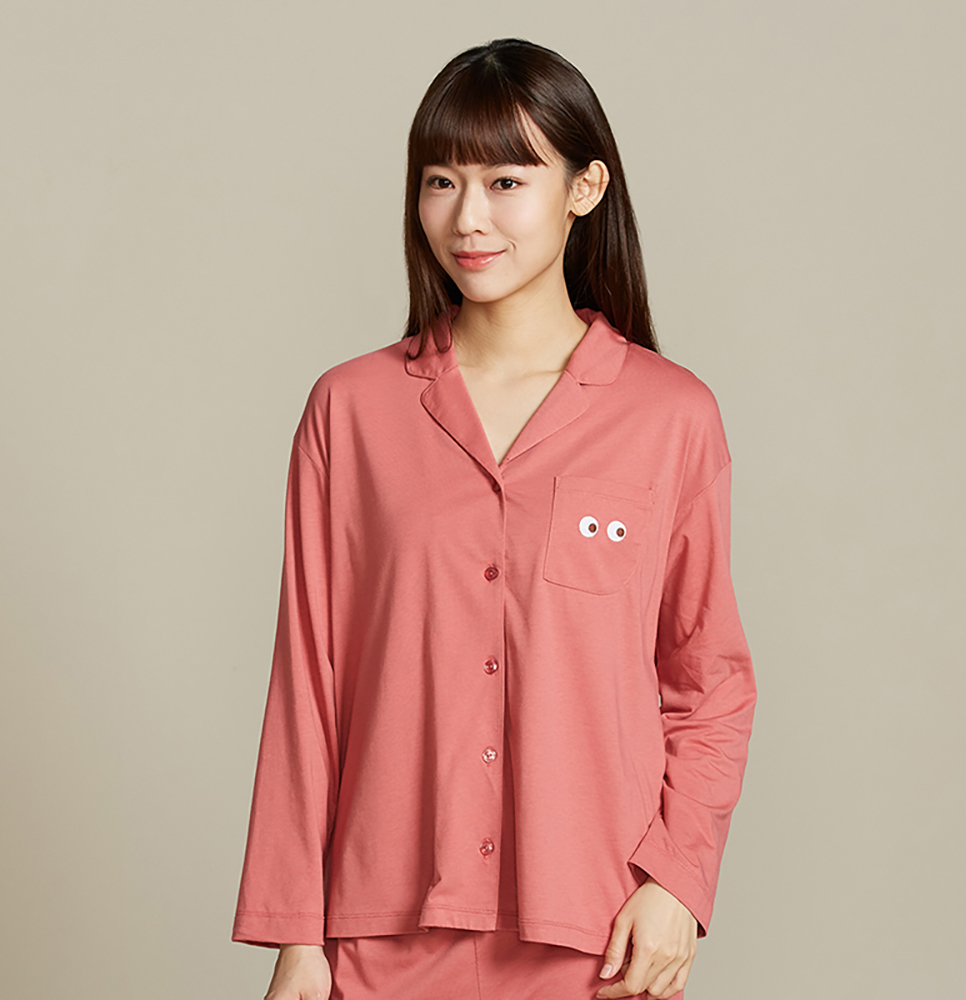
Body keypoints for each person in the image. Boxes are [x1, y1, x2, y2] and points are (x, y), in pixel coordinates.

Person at [231, 37, 757, 1000]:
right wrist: (295, 930)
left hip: (598, 933)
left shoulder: (670, 417)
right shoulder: (352, 411)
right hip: (379, 929)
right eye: (441, 182)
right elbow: (308, 680)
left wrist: (676, 883)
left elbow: (708, 682)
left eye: (506, 181)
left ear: (585, 188)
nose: (467, 217)